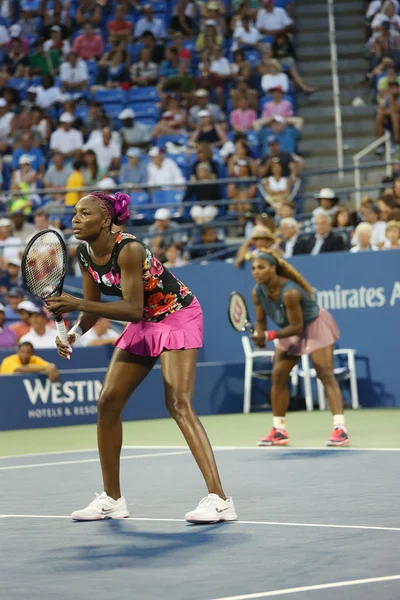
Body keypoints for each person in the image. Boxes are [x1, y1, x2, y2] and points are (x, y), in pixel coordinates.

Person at [46, 190, 237, 523]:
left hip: (177, 313)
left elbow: (131, 309)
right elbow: (93, 311)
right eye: (74, 213)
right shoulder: (85, 254)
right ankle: (112, 499)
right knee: (108, 402)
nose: (75, 219)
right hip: (146, 319)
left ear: (106, 220)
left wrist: (75, 303)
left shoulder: (129, 249)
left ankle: (220, 500)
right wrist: (74, 333)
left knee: (178, 402)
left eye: (85, 213)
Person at [251, 249, 349, 447]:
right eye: (253, 268)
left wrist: (269, 335)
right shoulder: (258, 291)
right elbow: (260, 320)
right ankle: (279, 430)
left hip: (314, 325)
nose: (256, 272)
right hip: (288, 330)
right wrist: (260, 338)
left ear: (273, 269)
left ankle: (340, 429)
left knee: (325, 374)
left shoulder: (290, 292)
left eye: (261, 267)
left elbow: (298, 327)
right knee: (278, 375)